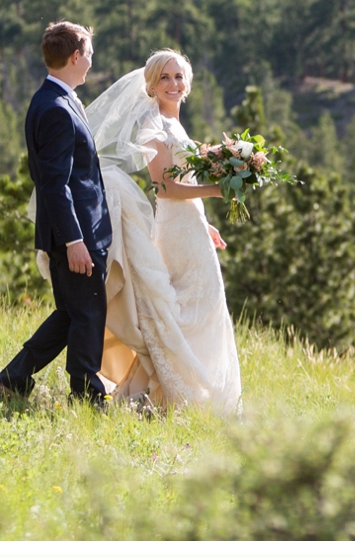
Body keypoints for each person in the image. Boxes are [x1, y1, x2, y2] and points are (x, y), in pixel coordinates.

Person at [83, 49, 242, 411]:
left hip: (190, 224)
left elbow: (182, 181)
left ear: (187, 84)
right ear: (152, 85)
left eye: (178, 77)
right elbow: (166, 188)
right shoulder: (152, 126)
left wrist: (204, 219)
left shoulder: (175, 124)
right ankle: (182, 392)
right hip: (174, 228)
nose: (173, 84)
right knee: (186, 308)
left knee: (205, 304)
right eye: (164, 78)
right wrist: (217, 190)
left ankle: (203, 389)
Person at [0, 21, 113, 404]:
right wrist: (75, 240)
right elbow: (54, 183)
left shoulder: (52, 98)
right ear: (75, 56)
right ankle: (86, 400)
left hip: (70, 229)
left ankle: (12, 380)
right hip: (74, 234)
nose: (91, 62)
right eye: (89, 55)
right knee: (89, 315)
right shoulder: (57, 108)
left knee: (71, 314)